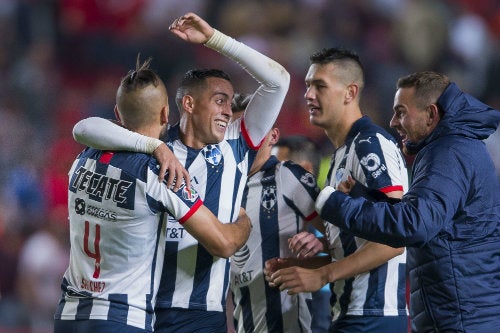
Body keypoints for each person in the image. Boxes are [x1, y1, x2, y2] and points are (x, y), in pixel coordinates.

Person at [71, 12, 290, 333]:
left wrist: (215, 39)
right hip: (148, 309)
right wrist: (154, 146)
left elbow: (278, 80)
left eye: (230, 102)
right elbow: (87, 127)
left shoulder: (236, 143)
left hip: (203, 313)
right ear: (188, 103)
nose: (228, 110)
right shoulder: (152, 148)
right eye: (219, 100)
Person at [54, 57, 251, 333]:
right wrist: (244, 220)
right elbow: (223, 243)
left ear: (117, 113)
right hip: (123, 319)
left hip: (69, 314)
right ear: (164, 114)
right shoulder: (159, 173)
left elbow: (84, 127)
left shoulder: (83, 158)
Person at [310, 71, 500, 332]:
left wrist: (334, 203)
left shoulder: (449, 153)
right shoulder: (453, 147)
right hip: (462, 314)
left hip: (462, 319)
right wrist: (363, 196)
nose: (393, 122)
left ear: (431, 114)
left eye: (401, 112)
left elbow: (413, 225)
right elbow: (429, 220)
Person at [264, 48, 409, 333]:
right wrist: (300, 267)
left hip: (373, 314)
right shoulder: (340, 156)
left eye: (320, 86)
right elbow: (355, 248)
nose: (308, 95)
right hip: (349, 312)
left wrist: (323, 275)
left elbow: (396, 237)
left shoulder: (371, 146)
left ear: (350, 92)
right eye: (307, 86)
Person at [227, 94, 321, 333]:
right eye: (237, 134)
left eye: (253, 132)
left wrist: (318, 243)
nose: (244, 142)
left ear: (273, 136)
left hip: (288, 324)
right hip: (243, 324)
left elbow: (342, 239)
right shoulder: (225, 188)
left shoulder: (288, 176)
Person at [272, 135, 332, 333]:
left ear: (305, 170)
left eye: (280, 170)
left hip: (321, 307)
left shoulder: (329, 217)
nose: (271, 178)